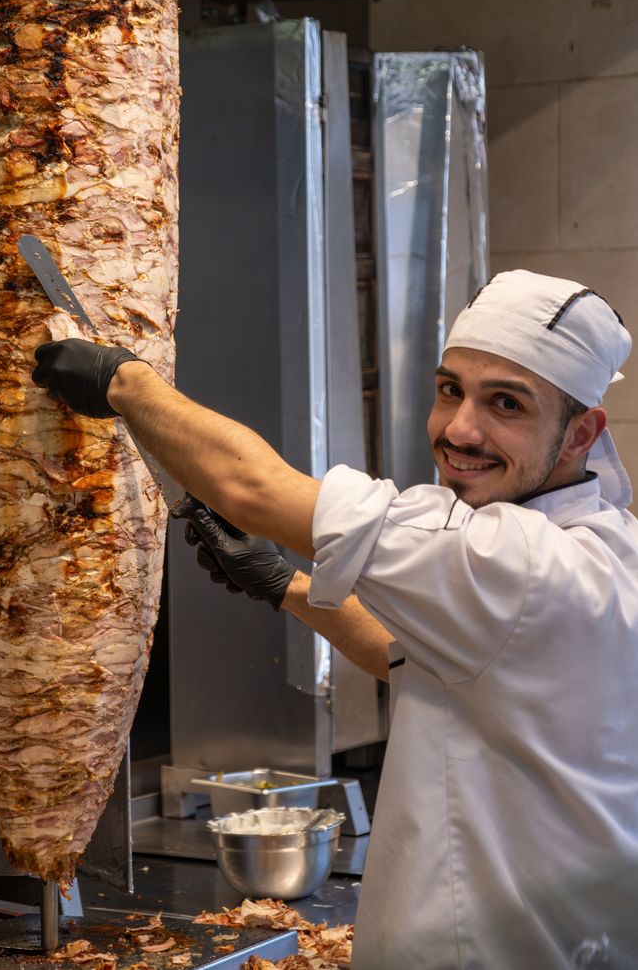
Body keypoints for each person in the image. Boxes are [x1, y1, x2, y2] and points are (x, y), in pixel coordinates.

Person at [32, 269, 638, 969]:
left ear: (579, 434)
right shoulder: (604, 542)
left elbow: (252, 488)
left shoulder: (519, 560)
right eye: (451, 391)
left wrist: (122, 381)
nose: (461, 429)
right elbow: (408, 658)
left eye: (506, 404)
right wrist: (284, 584)